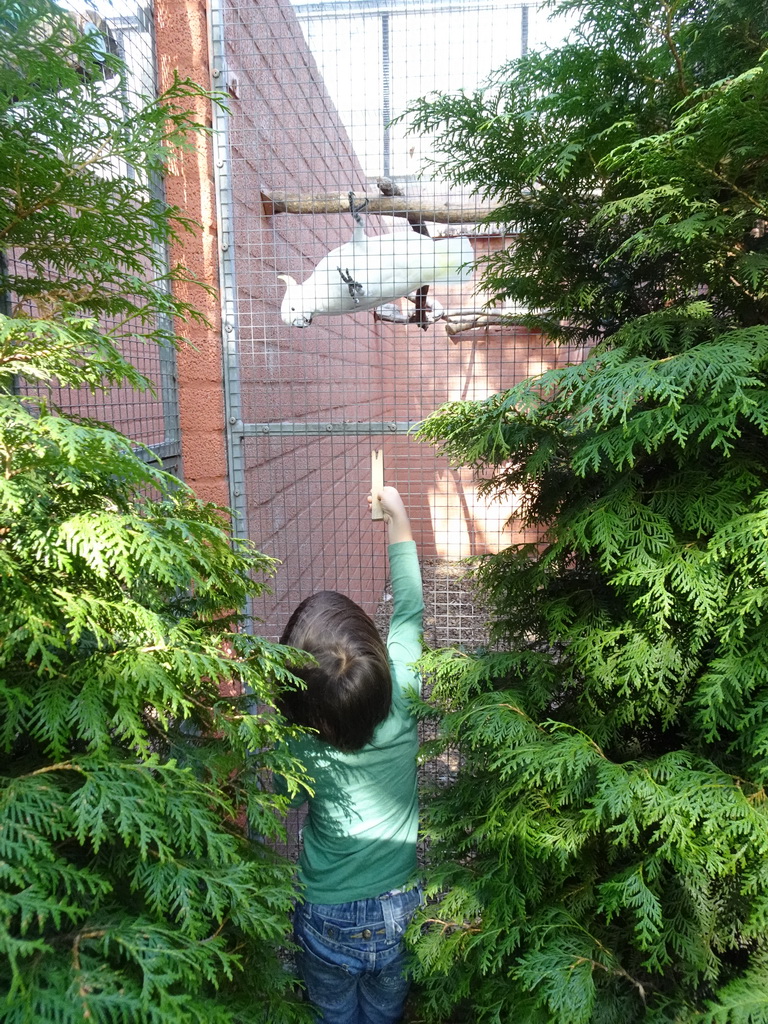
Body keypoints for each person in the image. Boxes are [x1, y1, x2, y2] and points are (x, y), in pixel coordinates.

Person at [277, 486, 424, 1024]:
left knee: (333, 1013)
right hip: (400, 907)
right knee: (385, 1010)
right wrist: (398, 517)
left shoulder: (299, 744)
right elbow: (409, 609)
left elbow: (282, 793)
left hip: (325, 913)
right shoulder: (403, 696)